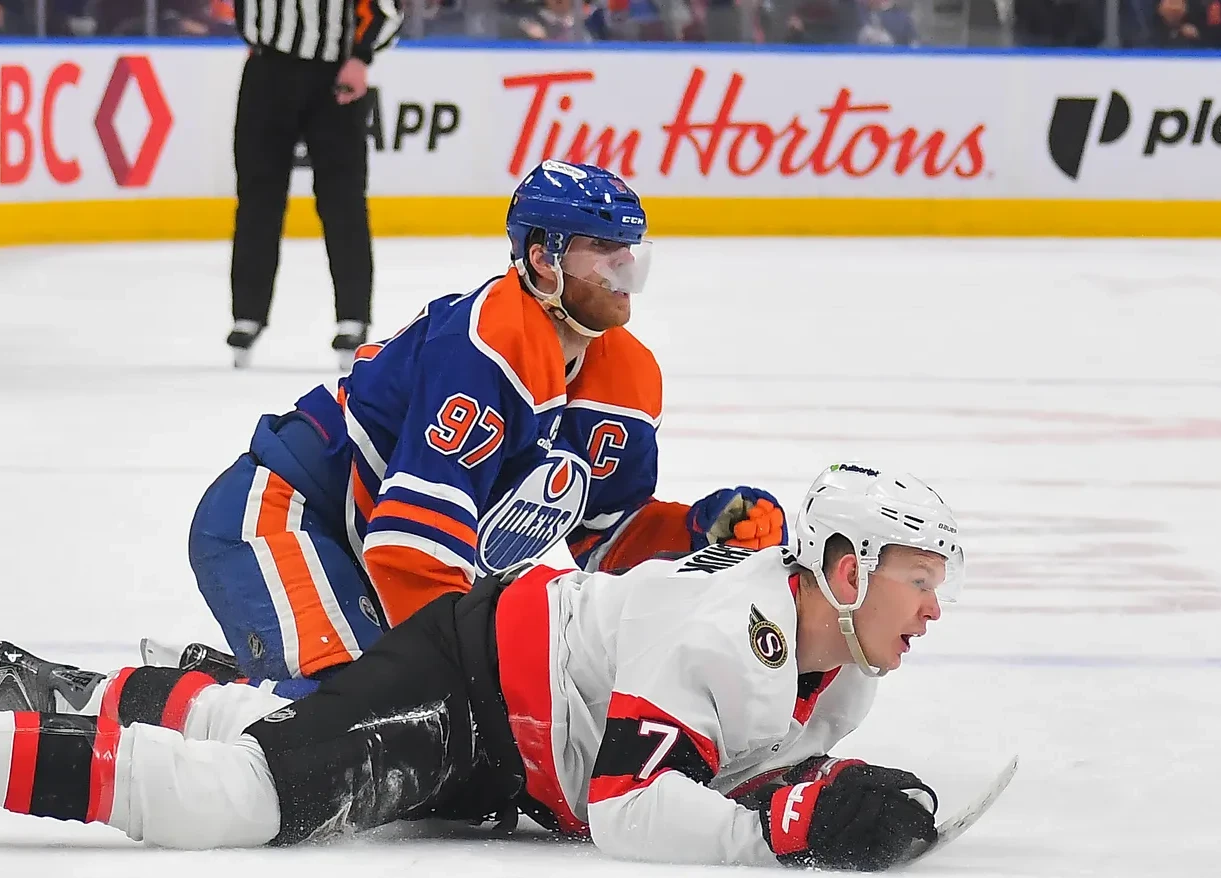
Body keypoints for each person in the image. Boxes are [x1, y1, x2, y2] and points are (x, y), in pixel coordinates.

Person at [0, 463, 964, 872]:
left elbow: (702, 765)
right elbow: (631, 806)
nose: (933, 606)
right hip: (475, 690)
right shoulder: (726, 629)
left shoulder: (843, 676)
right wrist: (783, 831)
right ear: (844, 568)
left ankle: (89, 695)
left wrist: (803, 797)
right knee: (241, 801)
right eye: (918, 575)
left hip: (516, 758)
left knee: (272, 736)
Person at [173, 159, 789, 704]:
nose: (625, 266)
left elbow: (608, 538)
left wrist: (699, 531)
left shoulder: (628, 378)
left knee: (400, 730)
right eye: (603, 248)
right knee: (345, 721)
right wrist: (467, 680)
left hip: (368, 555)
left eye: (629, 247)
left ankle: (228, 682)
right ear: (543, 259)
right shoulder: (489, 343)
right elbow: (412, 547)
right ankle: (155, 703)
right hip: (288, 516)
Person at [226, 0, 405, 369]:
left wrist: (361, 58)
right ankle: (247, 313)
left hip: (333, 75)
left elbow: (385, 8)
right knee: (257, 198)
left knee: (343, 201)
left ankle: (352, 316)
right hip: (266, 70)